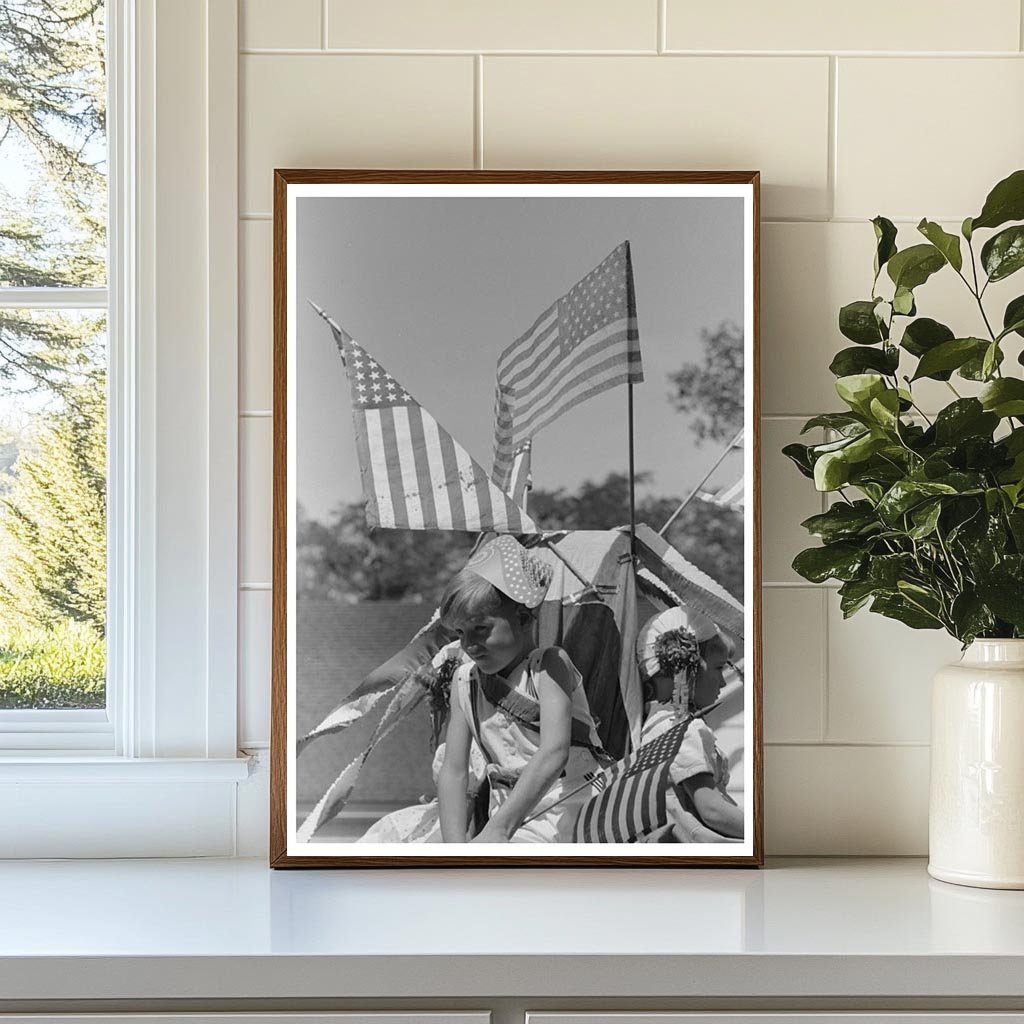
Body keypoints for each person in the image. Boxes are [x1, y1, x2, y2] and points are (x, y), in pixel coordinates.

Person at [436, 535, 609, 843]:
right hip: (505, 818)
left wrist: (499, 830)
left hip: (568, 812)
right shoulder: (464, 683)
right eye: (461, 633)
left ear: (523, 616)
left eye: (481, 629)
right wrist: (455, 850)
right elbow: (453, 772)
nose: (469, 644)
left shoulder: (548, 666)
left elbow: (554, 751)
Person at [634, 605, 744, 841]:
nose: (723, 683)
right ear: (687, 668)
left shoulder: (654, 725)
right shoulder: (680, 728)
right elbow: (712, 809)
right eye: (718, 668)